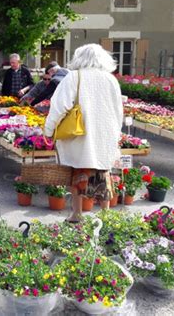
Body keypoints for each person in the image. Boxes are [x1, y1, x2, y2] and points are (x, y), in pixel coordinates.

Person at [44, 44, 123, 223]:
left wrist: (48, 130)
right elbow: (118, 110)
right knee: (102, 172)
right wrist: (116, 133)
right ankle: (105, 214)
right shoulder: (111, 79)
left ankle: (77, 213)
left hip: (79, 134)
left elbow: (59, 106)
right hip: (104, 132)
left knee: (77, 172)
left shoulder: (74, 77)